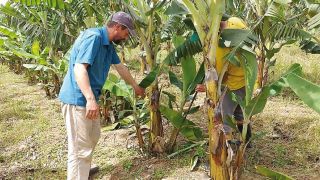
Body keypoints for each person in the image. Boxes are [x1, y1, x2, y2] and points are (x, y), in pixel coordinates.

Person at [58, 11, 145, 179]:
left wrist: (135, 86)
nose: (127, 37)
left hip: (89, 100)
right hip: (78, 99)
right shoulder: (94, 38)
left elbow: (120, 67)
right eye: (127, 33)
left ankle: (83, 168)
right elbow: (79, 68)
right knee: (79, 148)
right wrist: (90, 99)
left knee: (92, 137)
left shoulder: (107, 44)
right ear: (118, 27)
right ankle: (78, 173)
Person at [196, 17, 252, 144]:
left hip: (233, 85)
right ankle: (247, 141)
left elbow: (219, 77)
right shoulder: (235, 21)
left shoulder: (221, 47)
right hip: (247, 79)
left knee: (223, 116)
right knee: (240, 112)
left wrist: (205, 87)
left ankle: (226, 149)